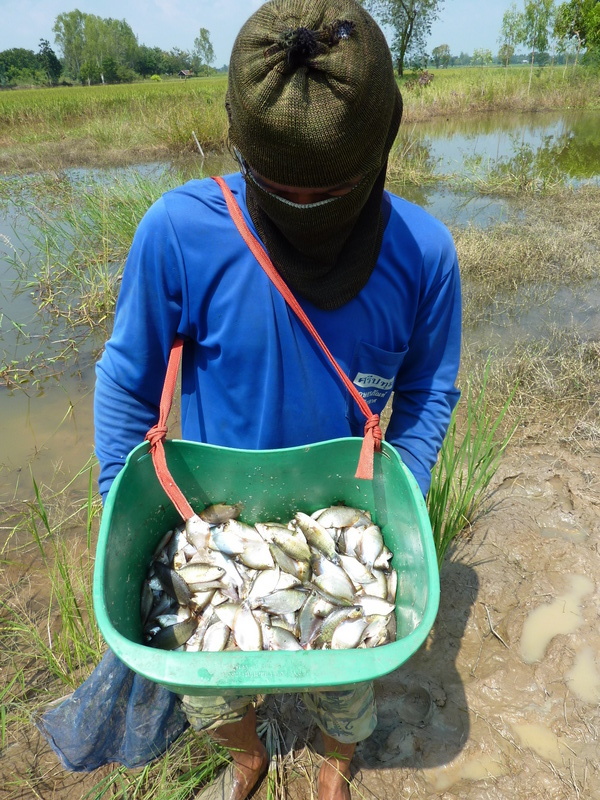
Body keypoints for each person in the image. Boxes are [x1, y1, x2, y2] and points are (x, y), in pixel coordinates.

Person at [93, 0, 461, 798]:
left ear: (385, 138)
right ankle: (246, 753)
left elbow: (431, 389)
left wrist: (400, 503)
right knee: (212, 688)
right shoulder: (179, 234)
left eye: (329, 194)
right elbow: (126, 383)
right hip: (217, 531)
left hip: (342, 532)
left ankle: (333, 763)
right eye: (279, 191)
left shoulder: (424, 256)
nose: (306, 215)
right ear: (237, 139)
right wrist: (120, 515)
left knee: (347, 687)